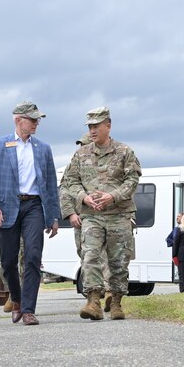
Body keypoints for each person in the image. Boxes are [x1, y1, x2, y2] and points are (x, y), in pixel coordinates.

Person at [0, 101, 60, 326]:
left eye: (38, 120)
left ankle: (28, 309)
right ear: (18, 120)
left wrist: (54, 216)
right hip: (7, 208)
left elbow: (51, 184)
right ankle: (16, 299)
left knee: (33, 256)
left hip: (34, 206)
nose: (37, 123)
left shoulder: (43, 148)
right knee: (7, 261)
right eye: (32, 119)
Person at [62, 106, 141, 320]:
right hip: (92, 215)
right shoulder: (81, 154)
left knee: (118, 261)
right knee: (90, 256)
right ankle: (93, 301)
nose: (92, 131)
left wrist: (113, 196)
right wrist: (84, 198)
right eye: (90, 127)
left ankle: (116, 302)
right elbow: (70, 181)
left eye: (96, 126)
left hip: (118, 215)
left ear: (108, 125)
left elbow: (132, 180)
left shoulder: (124, 151)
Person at [60, 132, 113, 312]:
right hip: (83, 218)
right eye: (80, 144)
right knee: (86, 254)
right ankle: (97, 292)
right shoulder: (74, 165)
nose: (82, 147)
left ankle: (106, 291)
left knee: (107, 254)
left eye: (84, 144)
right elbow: (65, 191)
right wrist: (70, 214)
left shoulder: (110, 160)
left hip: (109, 217)